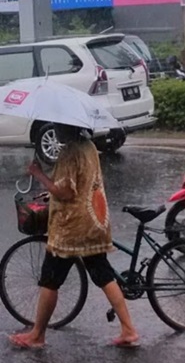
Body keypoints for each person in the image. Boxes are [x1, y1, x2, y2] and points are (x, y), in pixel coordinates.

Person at [9, 124, 139, 350]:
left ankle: (37, 335)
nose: (56, 130)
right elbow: (80, 182)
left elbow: (67, 192)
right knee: (104, 275)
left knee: (50, 280)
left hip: (71, 228)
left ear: (66, 128)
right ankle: (128, 329)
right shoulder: (88, 145)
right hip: (93, 220)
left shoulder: (70, 151)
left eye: (58, 126)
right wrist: (51, 187)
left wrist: (39, 175)